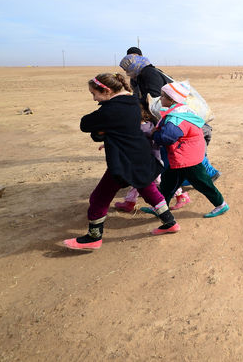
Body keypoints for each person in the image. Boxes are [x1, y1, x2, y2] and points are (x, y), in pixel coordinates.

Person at [62, 73, 179, 250]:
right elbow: (109, 129)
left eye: (95, 94)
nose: (94, 99)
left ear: (107, 90)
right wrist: (103, 132)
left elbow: (85, 124)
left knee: (99, 198)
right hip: (141, 155)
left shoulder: (111, 109)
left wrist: (101, 132)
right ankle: (170, 222)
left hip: (124, 161)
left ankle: (94, 237)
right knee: (149, 190)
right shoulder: (133, 101)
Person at [120, 50, 221, 182]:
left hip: (174, 115)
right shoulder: (143, 74)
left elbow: (154, 96)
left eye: (127, 68)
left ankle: (204, 174)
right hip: (175, 115)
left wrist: (136, 102)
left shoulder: (148, 74)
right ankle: (201, 174)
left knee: (184, 146)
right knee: (186, 146)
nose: (127, 72)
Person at [143, 82, 229, 218]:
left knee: (203, 183)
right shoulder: (179, 111)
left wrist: (154, 134)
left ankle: (221, 204)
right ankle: (159, 208)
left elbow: (167, 137)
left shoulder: (177, 117)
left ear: (171, 99)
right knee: (167, 185)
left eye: (162, 96)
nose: (160, 99)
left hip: (187, 159)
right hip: (178, 157)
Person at [113, 107, 190, 212]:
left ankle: (180, 196)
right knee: (138, 182)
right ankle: (129, 202)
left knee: (159, 181)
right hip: (149, 162)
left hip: (150, 163)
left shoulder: (140, 131)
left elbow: (129, 143)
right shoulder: (149, 125)